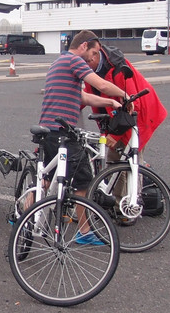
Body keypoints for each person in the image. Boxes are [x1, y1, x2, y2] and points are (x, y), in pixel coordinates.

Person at [37, 30, 131, 244]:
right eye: (94, 52)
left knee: (45, 179)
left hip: (48, 129)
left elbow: (82, 96)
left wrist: (110, 103)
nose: (93, 58)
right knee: (84, 182)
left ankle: (22, 217)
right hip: (63, 132)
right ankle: (85, 232)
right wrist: (124, 96)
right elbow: (102, 85)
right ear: (84, 46)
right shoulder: (74, 60)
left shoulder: (59, 62)